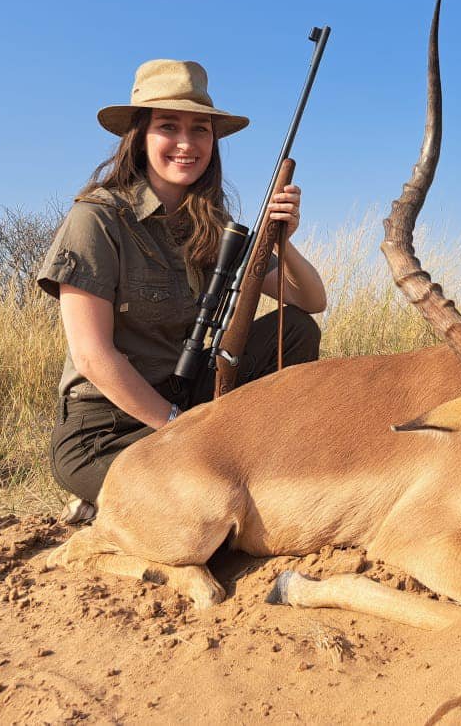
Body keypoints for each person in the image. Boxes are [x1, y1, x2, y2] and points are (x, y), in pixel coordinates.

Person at [37, 59, 326, 523]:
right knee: (202, 511)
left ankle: (240, 465)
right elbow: (93, 357)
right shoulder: (97, 218)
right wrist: (181, 430)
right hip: (108, 426)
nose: (187, 144)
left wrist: (283, 241)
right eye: (169, 126)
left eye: (201, 130)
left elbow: (311, 300)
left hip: (186, 405)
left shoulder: (209, 226)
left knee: (295, 330)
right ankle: (115, 504)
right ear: (140, 136)